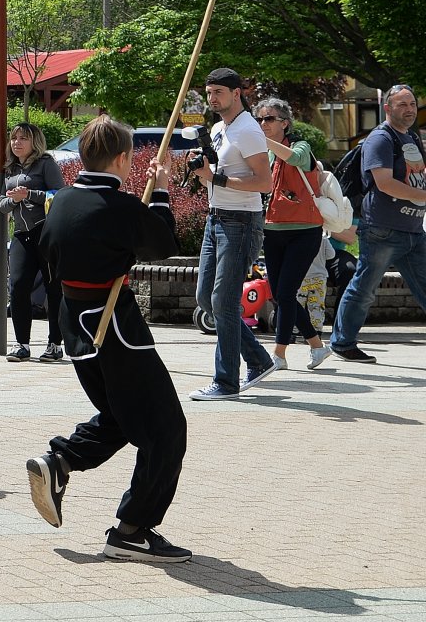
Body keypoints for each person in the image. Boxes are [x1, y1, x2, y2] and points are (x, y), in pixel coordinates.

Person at [25, 115, 190, 563]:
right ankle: (132, 531)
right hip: (113, 329)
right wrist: (159, 191)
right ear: (123, 158)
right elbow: (162, 243)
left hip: (75, 325)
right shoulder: (115, 206)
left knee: (122, 414)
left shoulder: (61, 201)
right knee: (165, 428)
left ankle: (60, 461)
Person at [188, 68, 277, 400]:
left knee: (223, 302)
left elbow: (264, 182)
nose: (212, 99)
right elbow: (215, 173)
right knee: (205, 299)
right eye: (209, 92)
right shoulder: (218, 128)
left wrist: (216, 180)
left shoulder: (248, 130)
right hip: (216, 220)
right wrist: (200, 171)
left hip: (240, 223)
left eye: (218, 93)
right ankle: (258, 359)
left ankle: (226, 382)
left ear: (237, 93)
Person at [329, 85, 426, 364]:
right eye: (401, 104)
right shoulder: (380, 139)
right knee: (364, 288)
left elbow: (415, 174)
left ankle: (343, 341)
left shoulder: (411, 137)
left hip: (413, 228)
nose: (409, 109)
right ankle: (343, 343)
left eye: (412, 103)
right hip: (382, 229)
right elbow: (385, 184)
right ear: (387, 108)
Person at [254, 97, 332, 371]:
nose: (263, 123)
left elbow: (297, 158)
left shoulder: (300, 146)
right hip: (272, 230)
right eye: (259, 120)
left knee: (286, 292)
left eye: (269, 119)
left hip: (304, 231)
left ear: (284, 123)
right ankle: (317, 346)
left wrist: (263, 142)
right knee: (279, 293)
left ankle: (279, 354)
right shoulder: (264, 154)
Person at [1, 123, 67, 361]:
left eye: (23, 139)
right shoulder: (9, 168)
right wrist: (13, 201)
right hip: (21, 233)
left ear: (35, 142)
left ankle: (55, 344)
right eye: (14, 138)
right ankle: (22, 344)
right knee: (18, 286)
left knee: (53, 288)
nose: (17, 142)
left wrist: (29, 194)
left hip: (45, 233)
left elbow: (59, 195)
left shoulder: (46, 164)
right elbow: (0, 204)